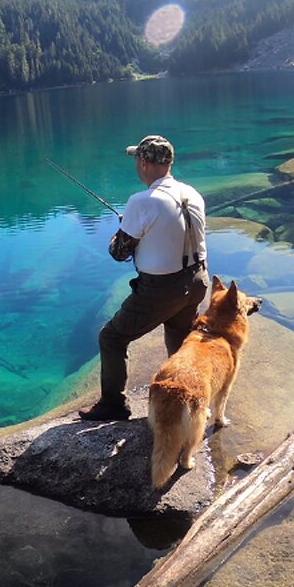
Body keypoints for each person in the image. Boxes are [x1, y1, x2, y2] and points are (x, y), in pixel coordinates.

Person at [79, 135, 210, 421]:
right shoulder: (192, 194)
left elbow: (118, 251)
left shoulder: (142, 202)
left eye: (137, 160)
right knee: (180, 343)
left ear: (144, 162)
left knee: (111, 338)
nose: (137, 166)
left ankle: (114, 405)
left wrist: (123, 228)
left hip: (161, 290)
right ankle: (188, 401)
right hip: (198, 281)